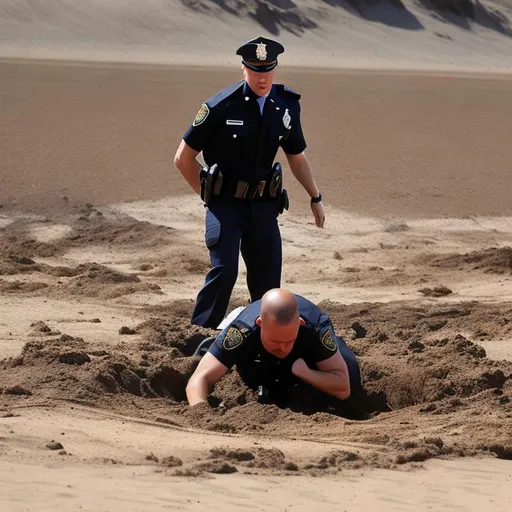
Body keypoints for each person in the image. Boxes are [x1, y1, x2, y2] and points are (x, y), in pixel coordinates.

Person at [174, 36, 325, 329]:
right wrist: (210, 197)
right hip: (226, 207)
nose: (262, 77)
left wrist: (315, 197)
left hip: (264, 207)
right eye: (255, 71)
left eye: (268, 70)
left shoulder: (286, 106)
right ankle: (199, 334)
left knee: (268, 283)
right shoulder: (220, 107)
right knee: (225, 271)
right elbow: (183, 158)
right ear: (243, 70)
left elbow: (296, 157)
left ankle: (264, 340)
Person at [185, 288, 361, 408]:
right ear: (260, 324)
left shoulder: (315, 329)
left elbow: (343, 388)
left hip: (304, 364)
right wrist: (201, 411)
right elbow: (197, 380)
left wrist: (304, 372)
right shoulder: (243, 330)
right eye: (276, 340)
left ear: (299, 324)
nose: (283, 348)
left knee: (352, 375)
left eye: (289, 340)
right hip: (258, 359)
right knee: (248, 368)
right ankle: (214, 346)